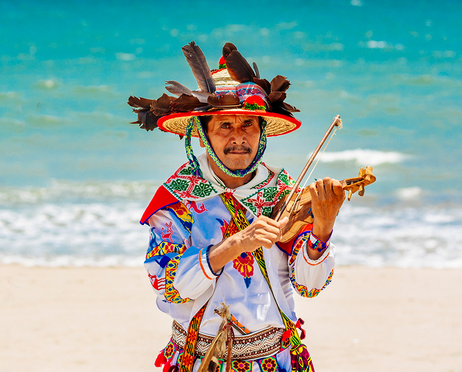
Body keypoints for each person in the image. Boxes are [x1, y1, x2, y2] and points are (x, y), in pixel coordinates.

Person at [128, 43, 344, 372]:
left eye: (248, 125)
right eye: (225, 126)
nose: (238, 137)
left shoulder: (283, 193)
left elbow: (309, 286)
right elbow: (170, 286)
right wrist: (236, 244)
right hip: (200, 360)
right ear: (203, 136)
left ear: (262, 133)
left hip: (276, 360)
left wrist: (322, 231)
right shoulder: (178, 199)